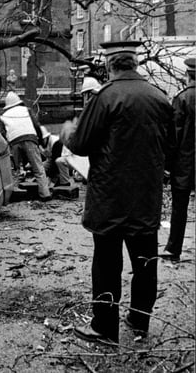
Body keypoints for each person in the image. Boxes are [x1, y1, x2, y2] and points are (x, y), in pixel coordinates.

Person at [60, 41, 174, 344]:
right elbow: (171, 149)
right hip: (146, 198)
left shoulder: (106, 97)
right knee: (145, 263)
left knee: (107, 263)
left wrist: (68, 132)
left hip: (110, 198)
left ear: (110, 66)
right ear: (134, 63)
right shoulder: (160, 98)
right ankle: (140, 321)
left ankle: (105, 327)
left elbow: (81, 144)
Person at [162, 57, 195, 262]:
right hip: (187, 161)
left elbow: (173, 136)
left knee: (179, 208)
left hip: (185, 163)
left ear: (187, 76)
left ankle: (174, 249)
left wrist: (167, 166)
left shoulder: (182, 99)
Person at [0, 91, 51, 200]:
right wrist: (40, 141)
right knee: (38, 168)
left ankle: (14, 193)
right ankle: (45, 194)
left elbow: (2, 133)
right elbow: (36, 125)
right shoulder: (26, 110)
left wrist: (9, 146)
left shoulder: (3, 116)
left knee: (16, 169)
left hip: (14, 140)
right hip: (30, 138)